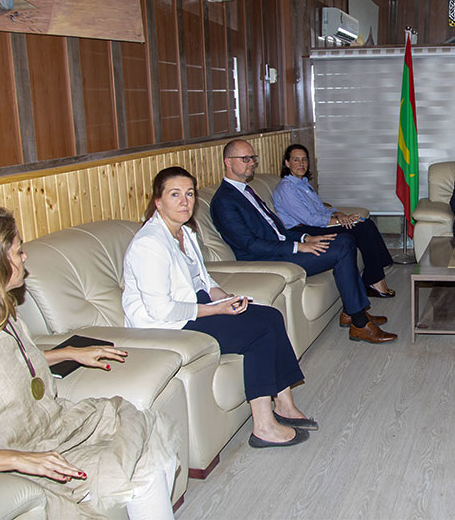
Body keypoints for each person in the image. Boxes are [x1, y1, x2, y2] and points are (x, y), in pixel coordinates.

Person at [0, 208, 180, 519]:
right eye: (18, 251)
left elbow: (5, 366)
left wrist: (67, 353)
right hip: (20, 448)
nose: (25, 257)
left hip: (55, 424)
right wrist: (17, 459)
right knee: (143, 474)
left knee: (147, 434)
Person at [122, 166, 315, 448]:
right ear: (158, 202)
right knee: (258, 331)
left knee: (271, 316)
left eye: (189, 194)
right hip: (166, 324)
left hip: (191, 306)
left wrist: (225, 299)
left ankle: (284, 404)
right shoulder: (149, 244)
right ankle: (263, 427)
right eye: (175, 195)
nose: (184, 202)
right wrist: (216, 310)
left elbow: (204, 280)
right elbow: (161, 310)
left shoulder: (184, 232)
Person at [210, 139, 397, 344]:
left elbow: (277, 229)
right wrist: (298, 246)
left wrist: (306, 237)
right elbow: (250, 245)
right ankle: (359, 322)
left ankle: (352, 313)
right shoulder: (224, 201)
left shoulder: (246, 190)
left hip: (281, 246)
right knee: (343, 246)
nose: (252, 163)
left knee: (345, 239)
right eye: (245, 159)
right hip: (266, 259)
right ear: (228, 161)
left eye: (253, 158)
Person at [272, 143, 397, 306]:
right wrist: (339, 222)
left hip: (314, 224)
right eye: (296, 160)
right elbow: (309, 219)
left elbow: (321, 208)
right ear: (287, 163)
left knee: (364, 223)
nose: (301, 164)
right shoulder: (286, 188)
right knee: (363, 227)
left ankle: (374, 278)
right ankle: (375, 281)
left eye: (304, 159)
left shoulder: (303, 183)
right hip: (302, 231)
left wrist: (339, 214)